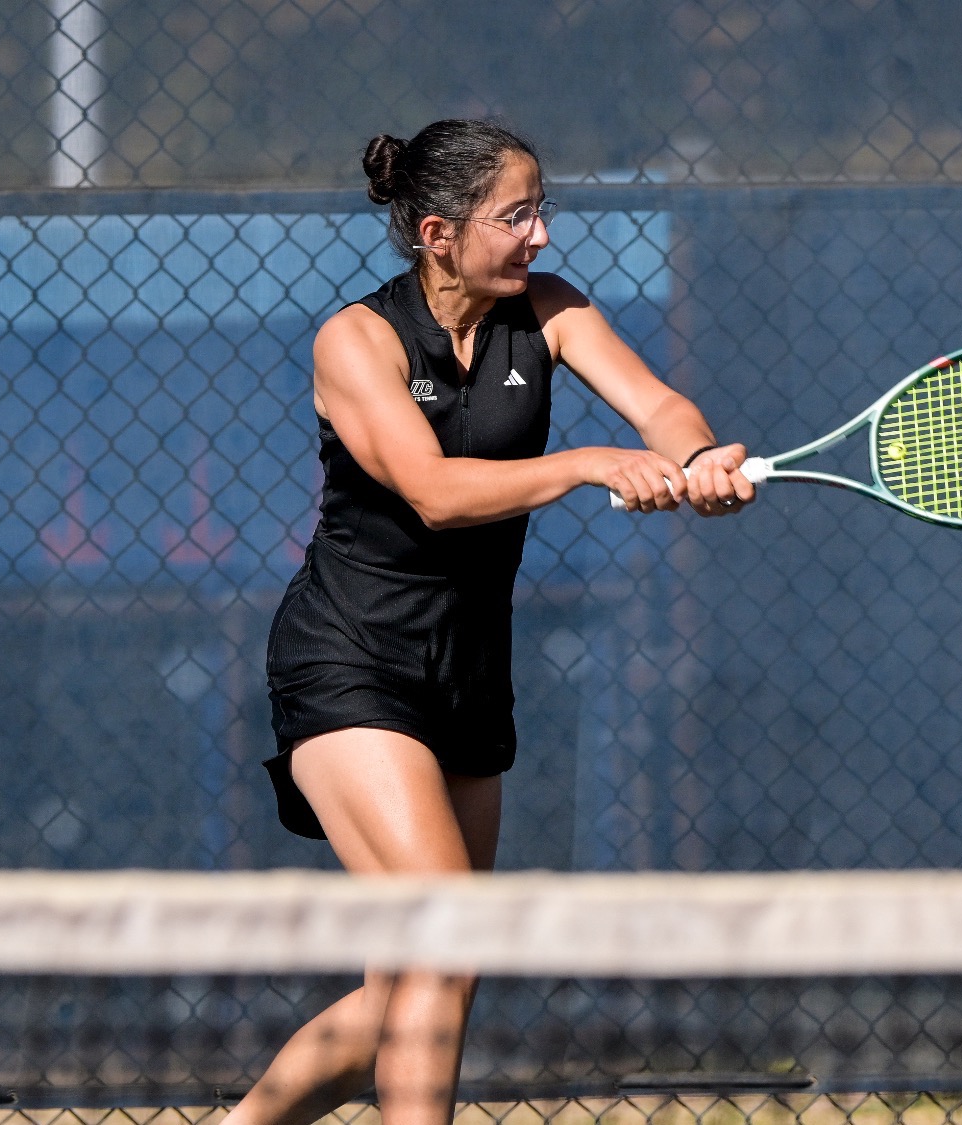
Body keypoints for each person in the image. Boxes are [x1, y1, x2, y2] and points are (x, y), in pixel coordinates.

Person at [225, 119, 753, 1125]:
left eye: (539, 210)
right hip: (349, 657)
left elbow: (661, 404)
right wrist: (589, 465)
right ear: (436, 233)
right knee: (445, 933)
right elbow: (430, 491)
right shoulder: (355, 340)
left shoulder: (550, 313)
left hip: (466, 672)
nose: (540, 237)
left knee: (407, 991)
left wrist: (698, 461)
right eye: (515, 217)